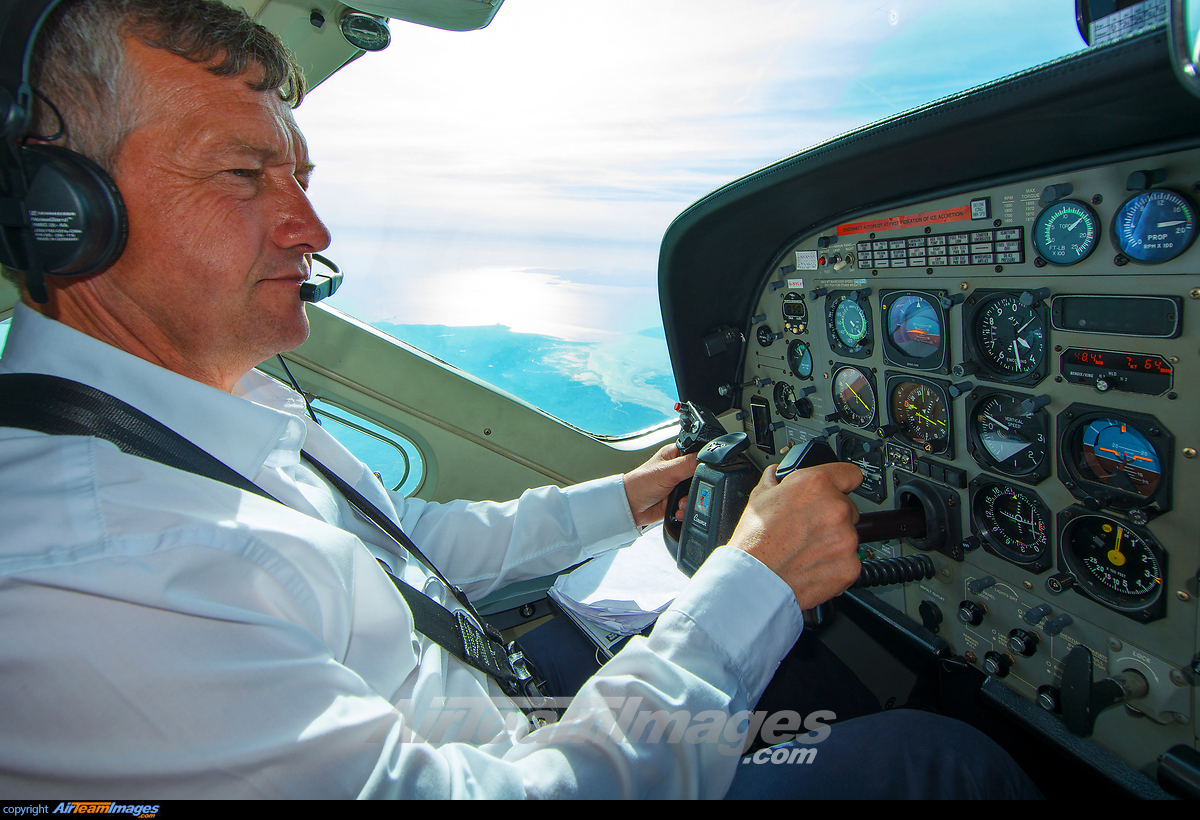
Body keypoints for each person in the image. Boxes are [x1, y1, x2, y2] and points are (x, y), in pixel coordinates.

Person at [0, 0, 1039, 799]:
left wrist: (626, 496)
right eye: (243, 172)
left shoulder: (211, 410)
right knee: (937, 759)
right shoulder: (92, 573)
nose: (311, 227)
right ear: (63, 210)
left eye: (300, 174)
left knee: (815, 682)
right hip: (514, 762)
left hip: (500, 712)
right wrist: (758, 578)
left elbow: (413, 546)